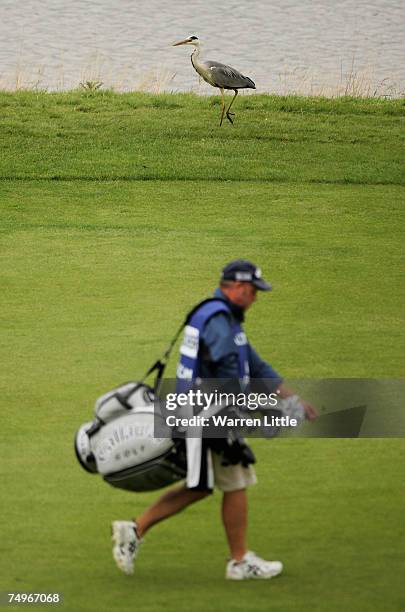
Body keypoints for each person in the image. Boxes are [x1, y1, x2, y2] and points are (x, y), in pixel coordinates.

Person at [111, 260, 318, 580]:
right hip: (208, 415)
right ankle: (239, 562)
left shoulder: (216, 314)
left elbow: (255, 365)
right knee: (236, 481)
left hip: (202, 412)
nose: (255, 298)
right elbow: (229, 382)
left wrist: (289, 397)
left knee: (201, 486)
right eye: (252, 291)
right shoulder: (219, 322)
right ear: (235, 287)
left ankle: (134, 531)